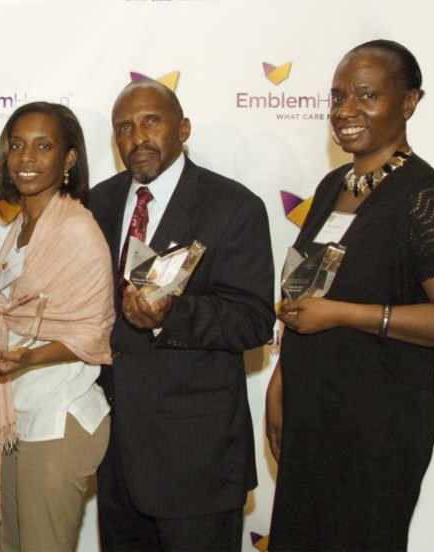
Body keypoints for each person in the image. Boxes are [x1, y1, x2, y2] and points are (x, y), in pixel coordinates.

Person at [266, 40, 434, 550]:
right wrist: (282, 377)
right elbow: (306, 291)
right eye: (338, 96)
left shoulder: (424, 198)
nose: (346, 111)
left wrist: (345, 314)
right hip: (313, 412)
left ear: (409, 103)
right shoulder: (331, 187)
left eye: (366, 96)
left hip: (377, 427)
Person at [91, 79, 275, 551]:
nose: (138, 137)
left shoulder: (233, 206)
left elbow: (254, 319)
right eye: (124, 127)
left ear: (183, 128)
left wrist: (171, 315)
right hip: (116, 457)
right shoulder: (99, 202)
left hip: (197, 457)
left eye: (151, 121)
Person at [0, 102, 114, 551]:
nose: (27, 158)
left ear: (69, 158)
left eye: (43, 146)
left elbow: (91, 332)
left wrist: (28, 357)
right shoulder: (17, 227)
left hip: (60, 416)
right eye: (17, 145)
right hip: (17, 415)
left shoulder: (76, 228)